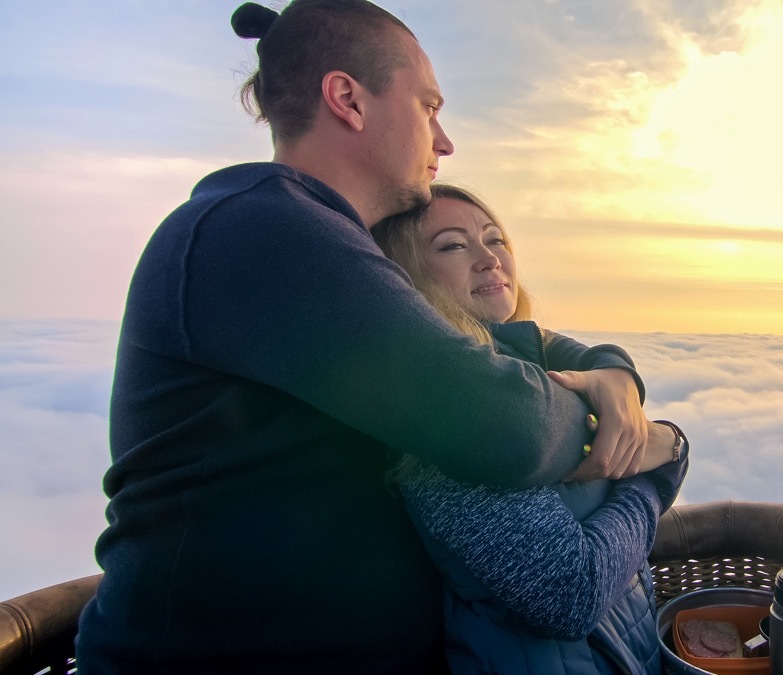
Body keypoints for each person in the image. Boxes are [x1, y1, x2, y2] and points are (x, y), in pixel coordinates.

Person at [75, 2, 670, 673]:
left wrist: (613, 372)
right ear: (348, 99)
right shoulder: (261, 230)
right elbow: (506, 425)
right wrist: (646, 447)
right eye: (427, 107)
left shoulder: (327, 256)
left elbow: (514, 340)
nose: (444, 142)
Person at [373, 183, 689, 673]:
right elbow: (569, 593)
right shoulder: (448, 413)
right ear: (406, 280)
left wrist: (625, 387)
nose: (489, 258)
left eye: (496, 239)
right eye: (454, 245)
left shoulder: (532, 380)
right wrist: (654, 473)